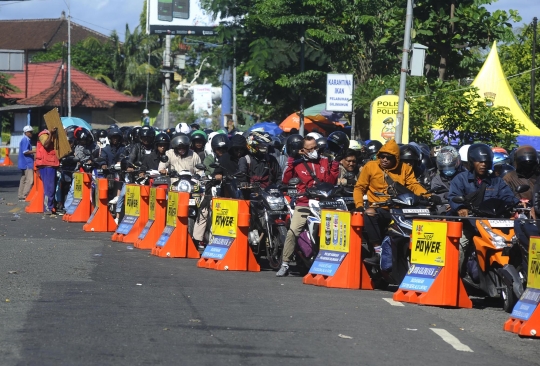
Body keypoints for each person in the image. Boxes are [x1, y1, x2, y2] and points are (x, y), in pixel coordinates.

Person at [353, 139, 430, 265]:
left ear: (396, 158)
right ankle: (378, 252)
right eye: (382, 156)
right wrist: (359, 205)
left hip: (401, 209)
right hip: (379, 208)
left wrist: (428, 195)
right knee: (369, 213)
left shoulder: (405, 168)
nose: (384, 160)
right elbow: (359, 188)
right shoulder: (370, 166)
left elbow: (413, 185)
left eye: (389, 157)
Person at [277, 134, 341, 276]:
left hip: (324, 202)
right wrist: (292, 159)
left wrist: (335, 163)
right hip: (304, 203)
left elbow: (331, 181)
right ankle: (285, 263)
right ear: (302, 150)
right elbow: (286, 180)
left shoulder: (325, 161)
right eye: (310, 149)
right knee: (293, 231)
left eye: (315, 147)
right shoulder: (296, 163)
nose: (314, 151)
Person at [430, 146, 464, 214]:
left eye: (451, 166)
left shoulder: (463, 177)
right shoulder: (436, 180)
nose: (448, 170)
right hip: (444, 213)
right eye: (444, 167)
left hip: (462, 209)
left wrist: (455, 206)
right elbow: (438, 198)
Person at [36, 127, 60, 214]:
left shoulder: (55, 134)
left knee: (52, 188)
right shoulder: (43, 134)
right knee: (49, 188)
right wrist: (50, 134)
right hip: (46, 165)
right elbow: (46, 145)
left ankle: (51, 207)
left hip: (52, 164)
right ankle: (47, 208)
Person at [18, 125, 35, 201]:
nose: (31, 133)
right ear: (26, 132)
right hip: (27, 163)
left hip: (24, 163)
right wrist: (35, 151)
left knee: (23, 179)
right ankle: (24, 195)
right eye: (30, 132)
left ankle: (21, 195)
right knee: (30, 180)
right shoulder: (25, 140)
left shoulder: (25, 140)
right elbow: (25, 151)